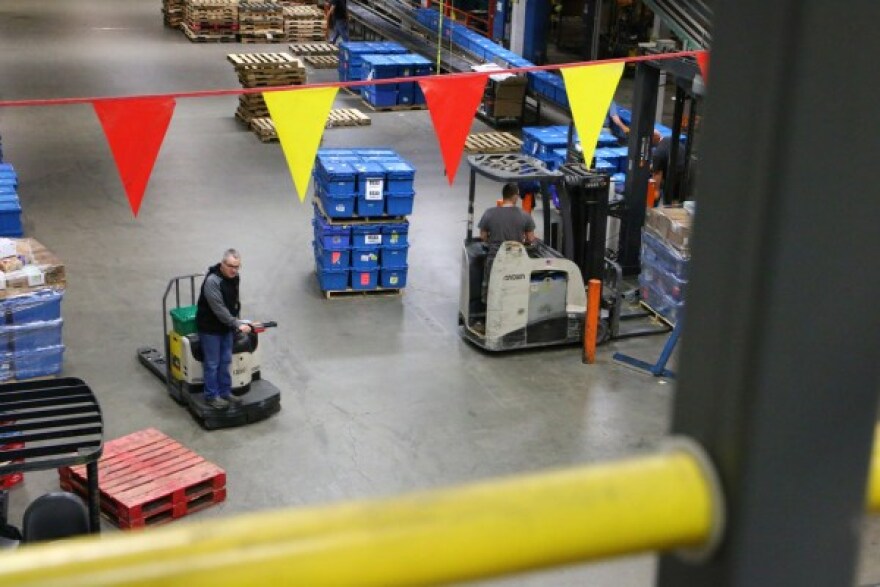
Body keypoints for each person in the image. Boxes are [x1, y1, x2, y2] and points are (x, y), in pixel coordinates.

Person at [196, 249, 252, 410]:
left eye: (237, 266)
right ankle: (211, 396)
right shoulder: (212, 281)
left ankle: (225, 391)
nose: (233, 270)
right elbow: (219, 308)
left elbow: (234, 302)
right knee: (212, 363)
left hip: (226, 327)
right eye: (230, 266)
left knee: (226, 360)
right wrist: (237, 324)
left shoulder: (235, 278)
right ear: (222, 264)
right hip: (210, 328)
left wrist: (238, 321)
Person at [477, 183, 536, 303]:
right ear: (515, 197)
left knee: (491, 290)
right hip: (516, 259)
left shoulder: (489, 213)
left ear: (503, 196)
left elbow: (482, 236)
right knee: (514, 290)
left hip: (495, 258)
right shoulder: (525, 215)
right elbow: (531, 238)